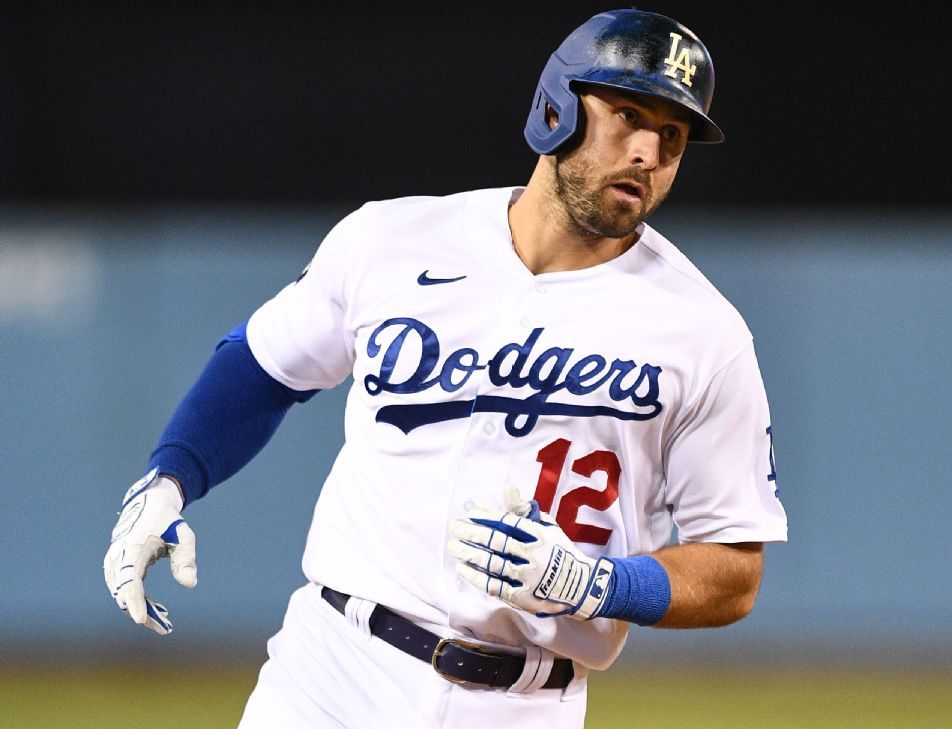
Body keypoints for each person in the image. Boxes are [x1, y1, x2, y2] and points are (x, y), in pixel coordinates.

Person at [103, 8, 787, 729]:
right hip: (331, 672)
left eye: (671, 136)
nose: (648, 151)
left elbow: (734, 571)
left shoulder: (704, 332)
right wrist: (169, 478)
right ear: (557, 109)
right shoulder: (393, 239)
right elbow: (264, 363)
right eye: (626, 116)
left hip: (526, 702)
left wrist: (596, 583)